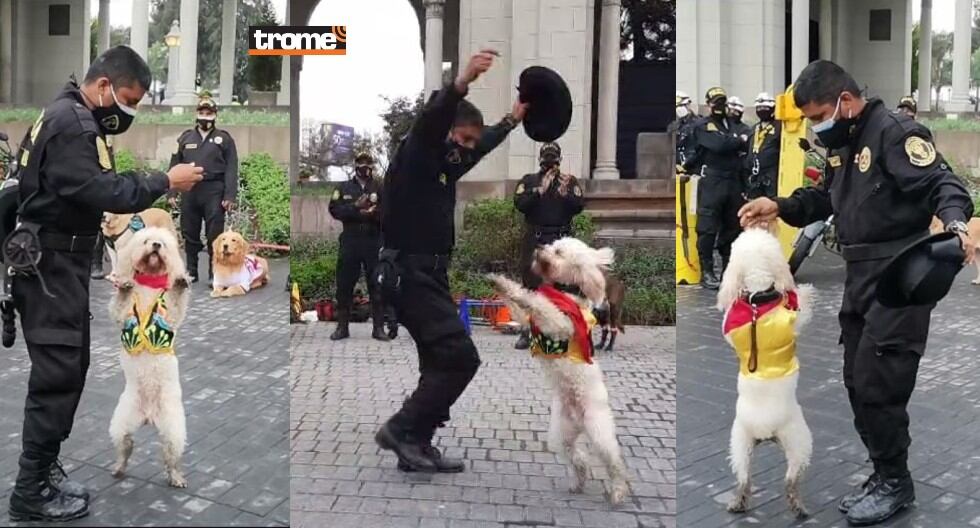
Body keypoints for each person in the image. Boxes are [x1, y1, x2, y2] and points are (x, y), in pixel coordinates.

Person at [738, 60, 975, 526]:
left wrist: (956, 226)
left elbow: (944, 184)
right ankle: (883, 470)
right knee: (855, 380)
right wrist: (780, 205)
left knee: (880, 385)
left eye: (817, 115)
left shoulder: (894, 133)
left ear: (845, 102)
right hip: (860, 277)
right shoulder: (844, 144)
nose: (814, 125)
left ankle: (895, 482)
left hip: (899, 276)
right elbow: (826, 198)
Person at [7, 46, 202, 522]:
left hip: (54, 267)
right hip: (50, 267)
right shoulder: (74, 124)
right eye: (128, 99)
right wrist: (165, 180)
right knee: (58, 376)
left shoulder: (63, 116)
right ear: (103, 86)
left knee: (70, 368)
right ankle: (30, 489)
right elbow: (103, 190)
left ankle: (45, 469)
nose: (129, 110)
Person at [376, 48, 528, 473]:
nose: (464, 148)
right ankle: (400, 430)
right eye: (460, 138)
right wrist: (460, 83)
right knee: (462, 357)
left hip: (428, 275)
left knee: (439, 361)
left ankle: (416, 445)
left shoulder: (444, 163)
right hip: (408, 274)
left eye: (468, 143)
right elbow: (431, 123)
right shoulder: (417, 152)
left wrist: (512, 119)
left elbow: (478, 148)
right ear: (446, 130)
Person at [512, 142, 585, 349]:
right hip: (537, 239)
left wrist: (565, 194)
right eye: (546, 157)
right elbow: (519, 204)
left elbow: (579, 206)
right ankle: (527, 331)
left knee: (564, 286)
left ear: (560, 160)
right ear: (540, 159)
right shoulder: (529, 181)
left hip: (561, 240)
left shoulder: (569, 182)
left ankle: (564, 331)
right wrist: (538, 191)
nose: (550, 162)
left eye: (553, 158)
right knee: (531, 286)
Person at [169, 95, 239, 285]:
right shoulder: (185, 138)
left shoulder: (224, 139)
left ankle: (214, 271)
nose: (205, 116)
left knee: (214, 234)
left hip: (214, 189)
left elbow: (232, 168)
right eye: (202, 112)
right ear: (196, 114)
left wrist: (229, 195)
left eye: (209, 113)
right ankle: (191, 270)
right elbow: (175, 165)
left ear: (215, 115)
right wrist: (172, 191)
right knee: (189, 232)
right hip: (189, 189)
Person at [683, 86, 748, 290]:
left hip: (734, 182)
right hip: (712, 181)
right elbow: (719, 145)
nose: (719, 106)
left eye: (722, 102)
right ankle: (707, 273)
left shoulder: (734, 125)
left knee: (732, 228)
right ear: (709, 104)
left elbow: (745, 140)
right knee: (707, 229)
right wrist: (737, 141)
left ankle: (728, 272)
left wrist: (735, 141)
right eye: (715, 102)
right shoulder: (704, 125)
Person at [328, 152, 388, 341]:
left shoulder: (379, 187)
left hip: (373, 239)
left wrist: (373, 213)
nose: (364, 168)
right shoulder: (344, 187)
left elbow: (389, 211)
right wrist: (355, 207)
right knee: (344, 284)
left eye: (367, 164)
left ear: (372, 167)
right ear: (355, 166)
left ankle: (378, 328)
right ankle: (342, 327)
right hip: (351, 240)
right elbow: (335, 210)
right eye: (361, 164)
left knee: (376, 284)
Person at [744, 92, 781, 199]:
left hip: (772, 176)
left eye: (765, 107)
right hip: (755, 176)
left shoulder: (780, 127)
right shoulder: (754, 128)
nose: (761, 110)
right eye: (758, 108)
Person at [668, 91, 700, 169]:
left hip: (694, 164)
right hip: (677, 164)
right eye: (677, 107)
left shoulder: (698, 123)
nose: (678, 109)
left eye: (681, 106)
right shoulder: (674, 125)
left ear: (688, 105)